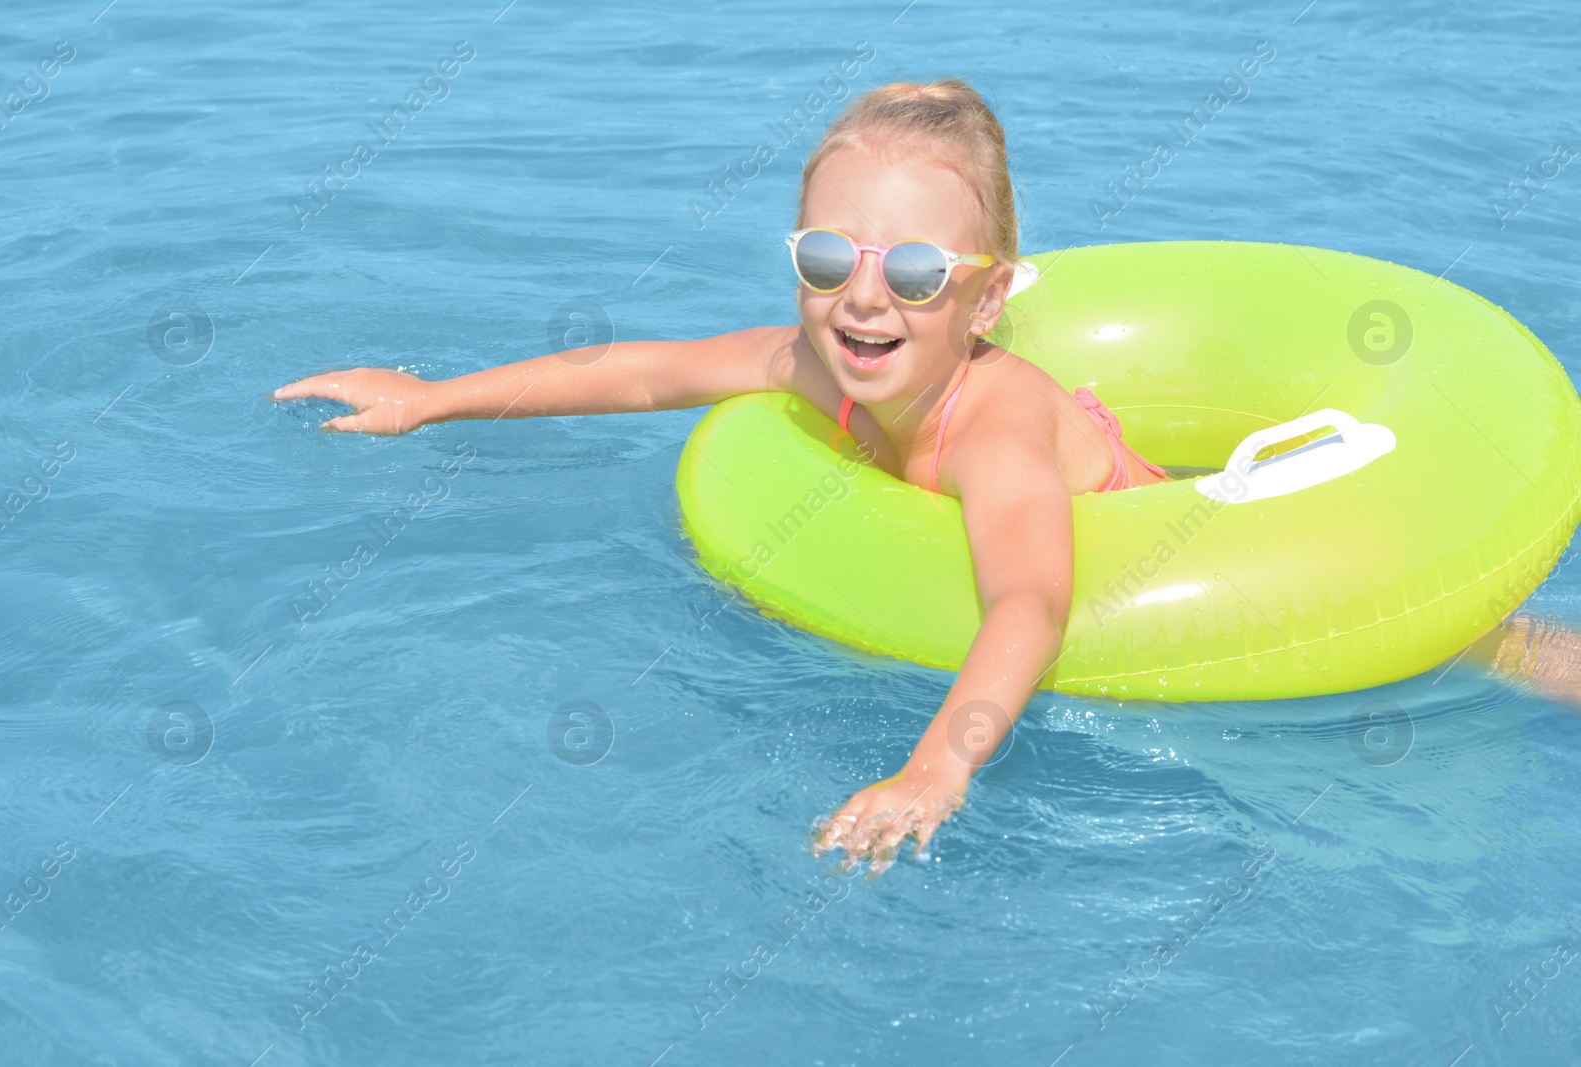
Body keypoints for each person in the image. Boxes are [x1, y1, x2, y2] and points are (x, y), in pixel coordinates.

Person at [272, 78, 1576, 876]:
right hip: (1097, 514)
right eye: (831, 254)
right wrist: (429, 398)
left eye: (911, 274)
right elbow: (644, 373)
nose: (862, 299)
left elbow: (1028, 602)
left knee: (1481, 645)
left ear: (990, 294)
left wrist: (937, 771)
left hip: (1177, 554)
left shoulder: (995, 423)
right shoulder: (811, 361)